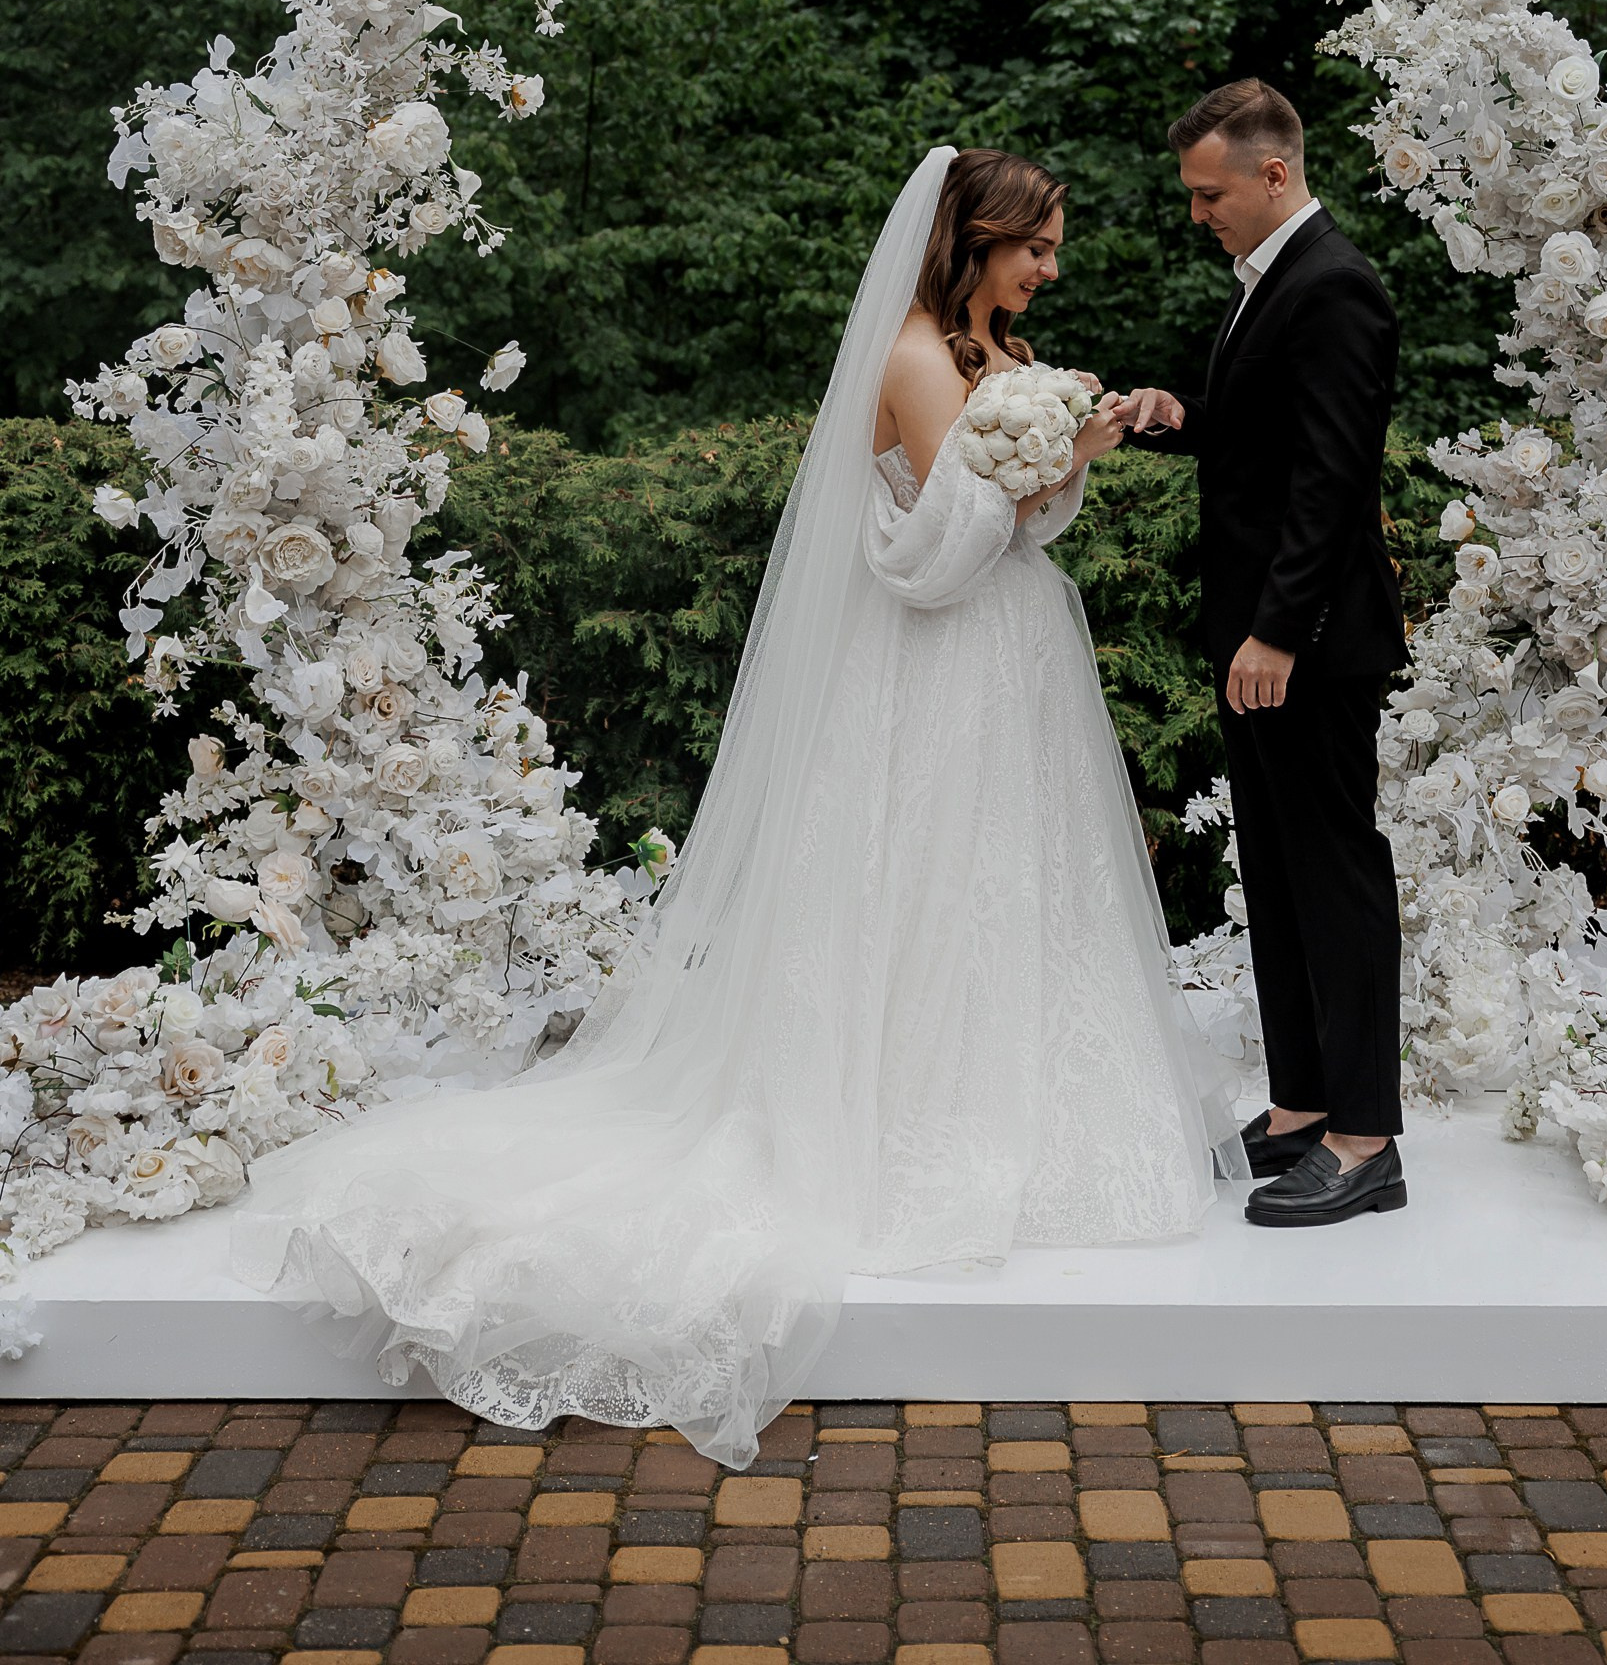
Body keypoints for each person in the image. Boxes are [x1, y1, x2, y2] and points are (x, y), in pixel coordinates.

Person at [232, 146, 1240, 1461]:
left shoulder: (997, 351)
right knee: (928, 880)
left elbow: (1020, 523)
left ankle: (1024, 1108)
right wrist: (1057, 459)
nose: (1049, 268)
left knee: (1012, 884)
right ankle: (909, 1124)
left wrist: (1072, 454)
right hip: (939, 664)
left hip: (1012, 663)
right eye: (1033, 247)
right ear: (974, 240)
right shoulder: (917, 357)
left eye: (1052, 249)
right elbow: (933, 558)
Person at [1124, 78, 1407, 1230]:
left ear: (1272, 172)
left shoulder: (1334, 284)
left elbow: (1332, 479)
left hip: (1306, 646)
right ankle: (1300, 1105)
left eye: (1209, 194)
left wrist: (1279, 632)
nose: (1198, 214)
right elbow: (1265, 441)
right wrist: (1178, 417)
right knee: (1278, 880)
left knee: (1334, 879)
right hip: (1259, 640)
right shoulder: (1270, 281)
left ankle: (1365, 1140)